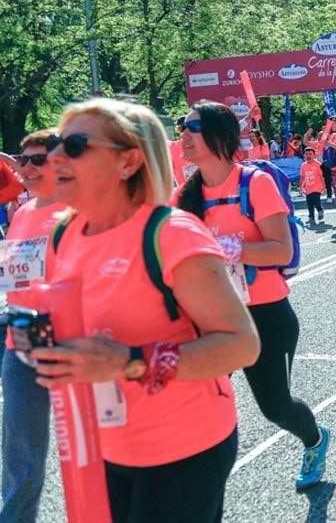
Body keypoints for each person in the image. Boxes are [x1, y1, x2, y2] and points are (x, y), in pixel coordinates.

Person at [35, 98, 259, 522]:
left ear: (128, 162)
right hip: (104, 445)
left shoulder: (171, 234)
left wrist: (131, 361)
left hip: (184, 448)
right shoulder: (64, 233)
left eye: (76, 145)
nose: (55, 155)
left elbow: (241, 346)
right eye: (56, 143)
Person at [174, 101, 331, 492]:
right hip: (211, 317)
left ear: (219, 135)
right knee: (199, 402)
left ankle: (314, 440)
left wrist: (227, 247)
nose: (183, 135)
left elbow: (281, 251)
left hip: (265, 315)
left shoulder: (254, 183)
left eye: (192, 127)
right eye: (181, 127)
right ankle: (200, 482)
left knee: (275, 407)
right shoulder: (184, 194)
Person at [1, 130, 63, 522]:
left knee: (99, 448)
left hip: (71, 339)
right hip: (21, 336)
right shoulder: (20, 213)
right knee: (20, 452)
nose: (26, 167)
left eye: (37, 159)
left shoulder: (81, 214)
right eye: (22, 159)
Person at [300, 147, 325, 223]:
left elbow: (322, 176)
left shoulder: (318, 164)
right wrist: (301, 187)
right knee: (309, 203)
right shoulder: (303, 165)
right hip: (308, 188)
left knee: (316, 200)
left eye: (310, 154)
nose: (308, 156)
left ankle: (320, 210)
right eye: (306, 154)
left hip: (317, 187)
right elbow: (303, 177)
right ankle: (311, 217)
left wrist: (324, 186)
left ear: (314, 155)